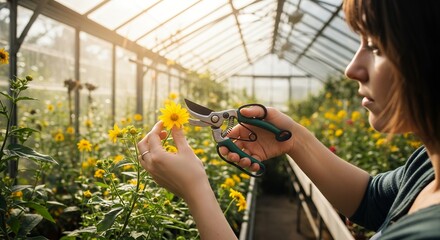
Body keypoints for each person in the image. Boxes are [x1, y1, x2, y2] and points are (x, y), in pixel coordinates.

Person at [137, 0, 440, 239]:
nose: (351, 68)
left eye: (375, 46)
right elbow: (372, 200)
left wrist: (196, 190)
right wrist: (296, 139)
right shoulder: (427, 168)